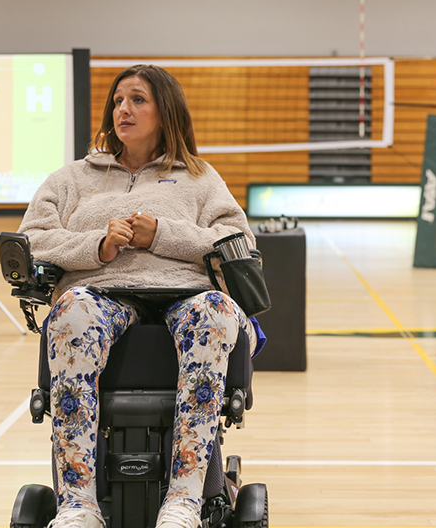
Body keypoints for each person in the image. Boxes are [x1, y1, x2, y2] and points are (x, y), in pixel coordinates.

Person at [18, 64, 264, 528]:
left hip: (185, 294)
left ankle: (184, 500)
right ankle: (78, 505)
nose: (123, 109)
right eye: (117, 101)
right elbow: (33, 240)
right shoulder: (72, 178)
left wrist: (163, 235)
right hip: (100, 292)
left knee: (216, 311)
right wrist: (97, 245)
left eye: (137, 100)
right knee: (71, 313)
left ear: (164, 110)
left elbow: (239, 243)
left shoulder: (199, 177)